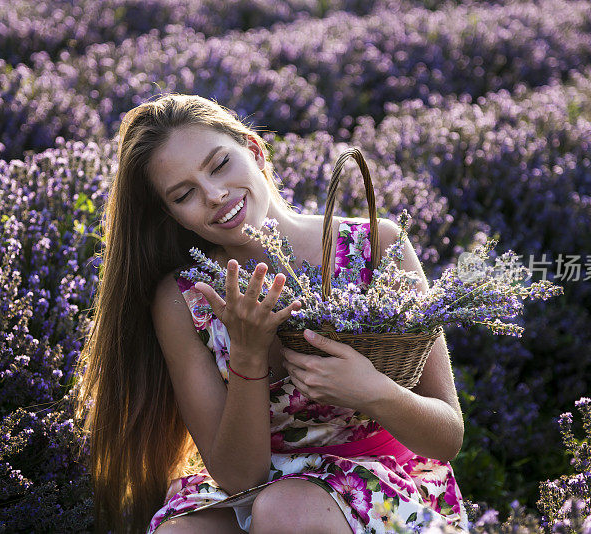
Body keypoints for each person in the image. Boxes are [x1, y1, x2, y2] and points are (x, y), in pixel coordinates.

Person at [74, 93, 470, 534]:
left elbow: (447, 436)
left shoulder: (375, 247)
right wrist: (247, 356)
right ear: (172, 214)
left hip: (383, 477)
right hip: (256, 484)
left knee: (286, 511)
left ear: (254, 149)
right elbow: (240, 477)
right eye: (184, 194)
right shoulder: (183, 301)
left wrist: (370, 388)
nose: (215, 194)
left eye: (220, 164)